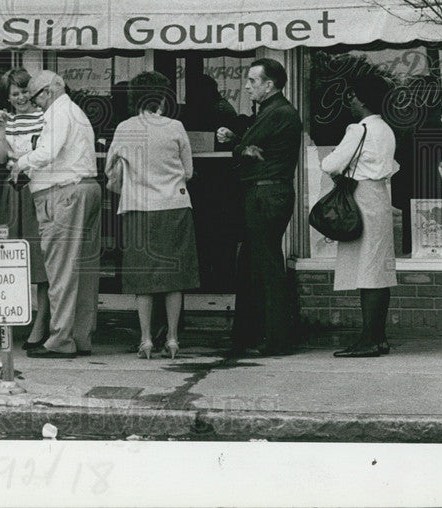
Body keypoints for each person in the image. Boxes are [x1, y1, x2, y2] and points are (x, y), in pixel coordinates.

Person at [105, 71, 199, 360]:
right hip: (174, 206)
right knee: (175, 277)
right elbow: (189, 172)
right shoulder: (176, 127)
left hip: (138, 208)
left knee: (141, 278)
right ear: (163, 97)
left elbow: (110, 170)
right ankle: (172, 338)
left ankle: (145, 339)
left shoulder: (125, 128)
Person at [11, 70, 101, 359]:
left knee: (60, 268)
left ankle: (60, 339)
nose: (35, 104)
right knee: (84, 269)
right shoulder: (77, 113)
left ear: (48, 91)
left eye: (36, 96)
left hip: (62, 193)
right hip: (87, 187)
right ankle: (81, 336)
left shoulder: (56, 112)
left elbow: (48, 151)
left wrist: (21, 163)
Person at [216, 58, 302, 356]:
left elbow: (250, 151)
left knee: (265, 266)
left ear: (270, 84)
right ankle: (254, 333)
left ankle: (276, 338)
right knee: (255, 264)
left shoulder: (276, 112)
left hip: (266, 195)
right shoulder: (274, 112)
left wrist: (237, 144)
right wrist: (241, 142)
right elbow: (253, 146)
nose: (248, 85)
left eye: (253, 80)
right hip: (269, 194)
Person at [321, 73, 399, 358]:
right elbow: (393, 166)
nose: (350, 101)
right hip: (379, 197)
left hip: (361, 199)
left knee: (367, 272)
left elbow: (331, 163)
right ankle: (378, 337)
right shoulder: (386, 130)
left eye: (353, 96)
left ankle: (368, 340)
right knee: (378, 269)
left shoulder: (359, 129)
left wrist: (341, 163)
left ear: (363, 100)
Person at [0, 67, 50, 349]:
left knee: (40, 256)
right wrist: (2, 127)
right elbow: (1, 156)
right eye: (15, 93)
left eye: (25, 91)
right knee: (10, 255)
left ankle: (42, 322)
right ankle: (8, 320)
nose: (21, 97)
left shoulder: (44, 117)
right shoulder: (5, 120)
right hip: (13, 190)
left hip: (39, 187)